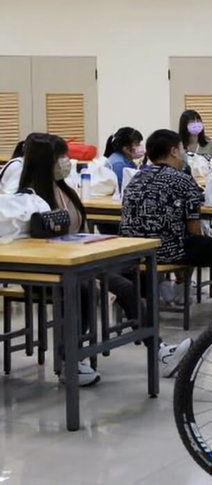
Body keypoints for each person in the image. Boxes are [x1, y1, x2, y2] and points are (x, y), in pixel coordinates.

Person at [18, 133, 191, 385]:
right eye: (61, 157)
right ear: (47, 162)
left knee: (126, 286)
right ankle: (70, 361)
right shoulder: (28, 198)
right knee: (83, 290)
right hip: (47, 272)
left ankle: (160, 350)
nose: (67, 162)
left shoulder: (64, 189)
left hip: (78, 264)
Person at [121, 129, 212, 317]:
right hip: (168, 249)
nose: (184, 153)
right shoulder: (183, 180)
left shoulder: (136, 178)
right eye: (181, 149)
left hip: (134, 250)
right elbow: (193, 229)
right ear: (173, 151)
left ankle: (157, 296)